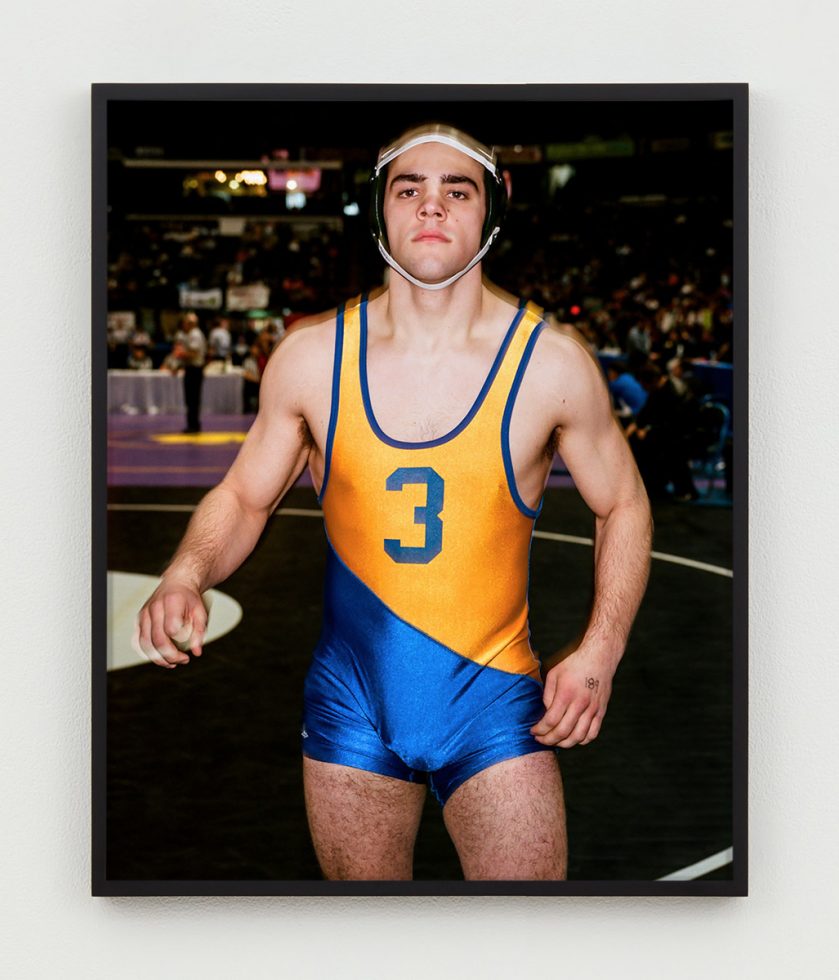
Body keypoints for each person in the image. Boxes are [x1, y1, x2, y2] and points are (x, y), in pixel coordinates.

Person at [135, 124, 652, 881]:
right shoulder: (311, 356)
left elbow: (626, 505)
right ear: (378, 212)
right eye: (409, 189)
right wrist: (186, 574)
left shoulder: (550, 364)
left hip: (496, 703)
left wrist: (600, 653)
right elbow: (246, 495)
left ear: (490, 211)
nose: (432, 206)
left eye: (457, 189)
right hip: (351, 706)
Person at [179, 311, 206, 433]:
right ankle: (193, 423)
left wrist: (181, 353)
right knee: (191, 398)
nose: (183, 325)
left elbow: (194, 353)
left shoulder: (195, 335)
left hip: (194, 369)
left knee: (192, 398)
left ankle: (193, 425)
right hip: (192, 369)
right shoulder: (191, 334)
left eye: (185, 322)